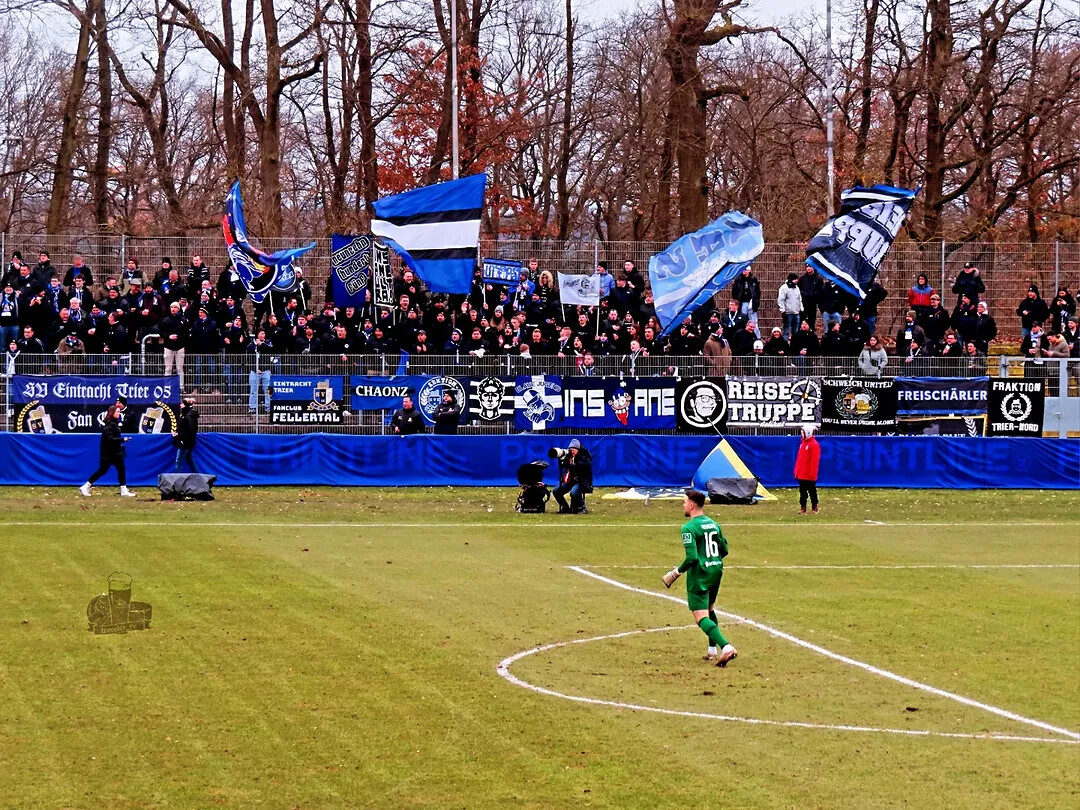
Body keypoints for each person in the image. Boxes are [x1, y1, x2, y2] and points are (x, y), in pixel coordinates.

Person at [661, 489, 737, 667]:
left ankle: (726, 647)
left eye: (685, 502)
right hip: (716, 571)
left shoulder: (688, 528)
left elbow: (692, 557)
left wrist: (673, 574)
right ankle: (712, 650)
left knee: (700, 617)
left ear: (692, 505)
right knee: (710, 609)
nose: (683, 505)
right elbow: (724, 550)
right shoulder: (713, 524)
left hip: (700, 575)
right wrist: (711, 561)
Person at [79, 399, 135, 497]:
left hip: (115, 453)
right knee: (102, 470)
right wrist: (123, 440)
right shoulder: (109, 425)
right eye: (117, 412)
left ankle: (123, 490)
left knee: (121, 468)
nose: (119, 413)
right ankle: (85, 486)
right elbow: (110, 439)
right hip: (108, 453)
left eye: (119, 411)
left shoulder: (114, 423)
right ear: (112, 413)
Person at [551, 438, 592, 514]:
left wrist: (569, 464)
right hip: (570, 481)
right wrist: (562, 459)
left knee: (573, 492)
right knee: (556, 491)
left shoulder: (584, 456)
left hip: (581, 481)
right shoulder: (569, 457)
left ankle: (582, 508)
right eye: (570, 450)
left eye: (573, 450)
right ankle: (565, 508)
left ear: (577, 450)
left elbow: (580, 466)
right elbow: (564, 466)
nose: (571, 452)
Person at [794, 425, 820, 515]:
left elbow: (814, 461)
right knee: (802, 491)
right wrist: (797, 471)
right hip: (802, 473)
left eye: (803, 433)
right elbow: (799, 459)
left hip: (809, 474)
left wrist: (812, 474)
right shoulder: (802, 443)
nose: (801, 434)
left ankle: (814, 506)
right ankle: (803, 507)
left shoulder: (814, 445)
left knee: (812, 490)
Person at [172, 398, 199, 473]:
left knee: (179, 460)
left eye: (182, 403)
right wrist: (178, 433)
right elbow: (185, 428)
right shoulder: (185, 414)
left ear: (185, 405)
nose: (180, 405)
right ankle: (199, 477)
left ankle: (176, 479)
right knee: (190, 459)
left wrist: (182, 438)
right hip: (187, 441)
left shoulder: (188, 415)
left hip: (185, 442)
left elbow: (191, 429)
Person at [777, 273, 803, 340]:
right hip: (788, 313)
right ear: (791, 279)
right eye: (795, 279)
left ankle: (795, 346)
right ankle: (785, 346)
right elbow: (780, 300)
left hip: (796, 313)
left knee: (796, 332)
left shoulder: (797, 288)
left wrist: (801, 309)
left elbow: (799, 299)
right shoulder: (784, 288)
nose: (797, 280)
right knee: (786, 331)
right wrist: (783, 310)